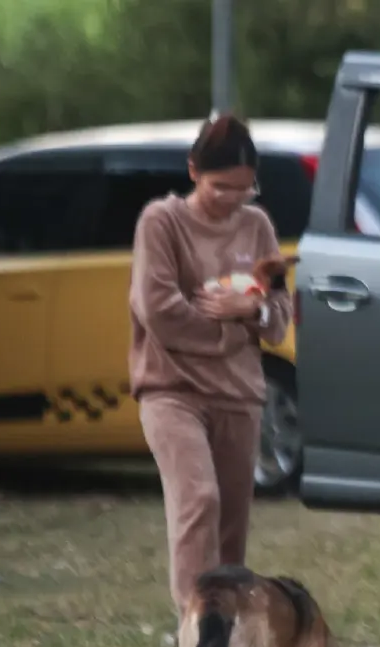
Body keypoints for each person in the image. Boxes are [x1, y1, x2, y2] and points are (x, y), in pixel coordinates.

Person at [128, 113, 293, 618]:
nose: (232, 199)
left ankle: (228, 633)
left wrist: (252, 310)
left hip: (239, 393)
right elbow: (158, 309)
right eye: (222, 187)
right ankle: (198, 632)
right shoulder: (162, 222)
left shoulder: (258, 225)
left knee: (231, 526)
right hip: (171, 389)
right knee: (198, 498)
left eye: (244, 189)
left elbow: (278, 315)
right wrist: (229, 330)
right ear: (194, 170)